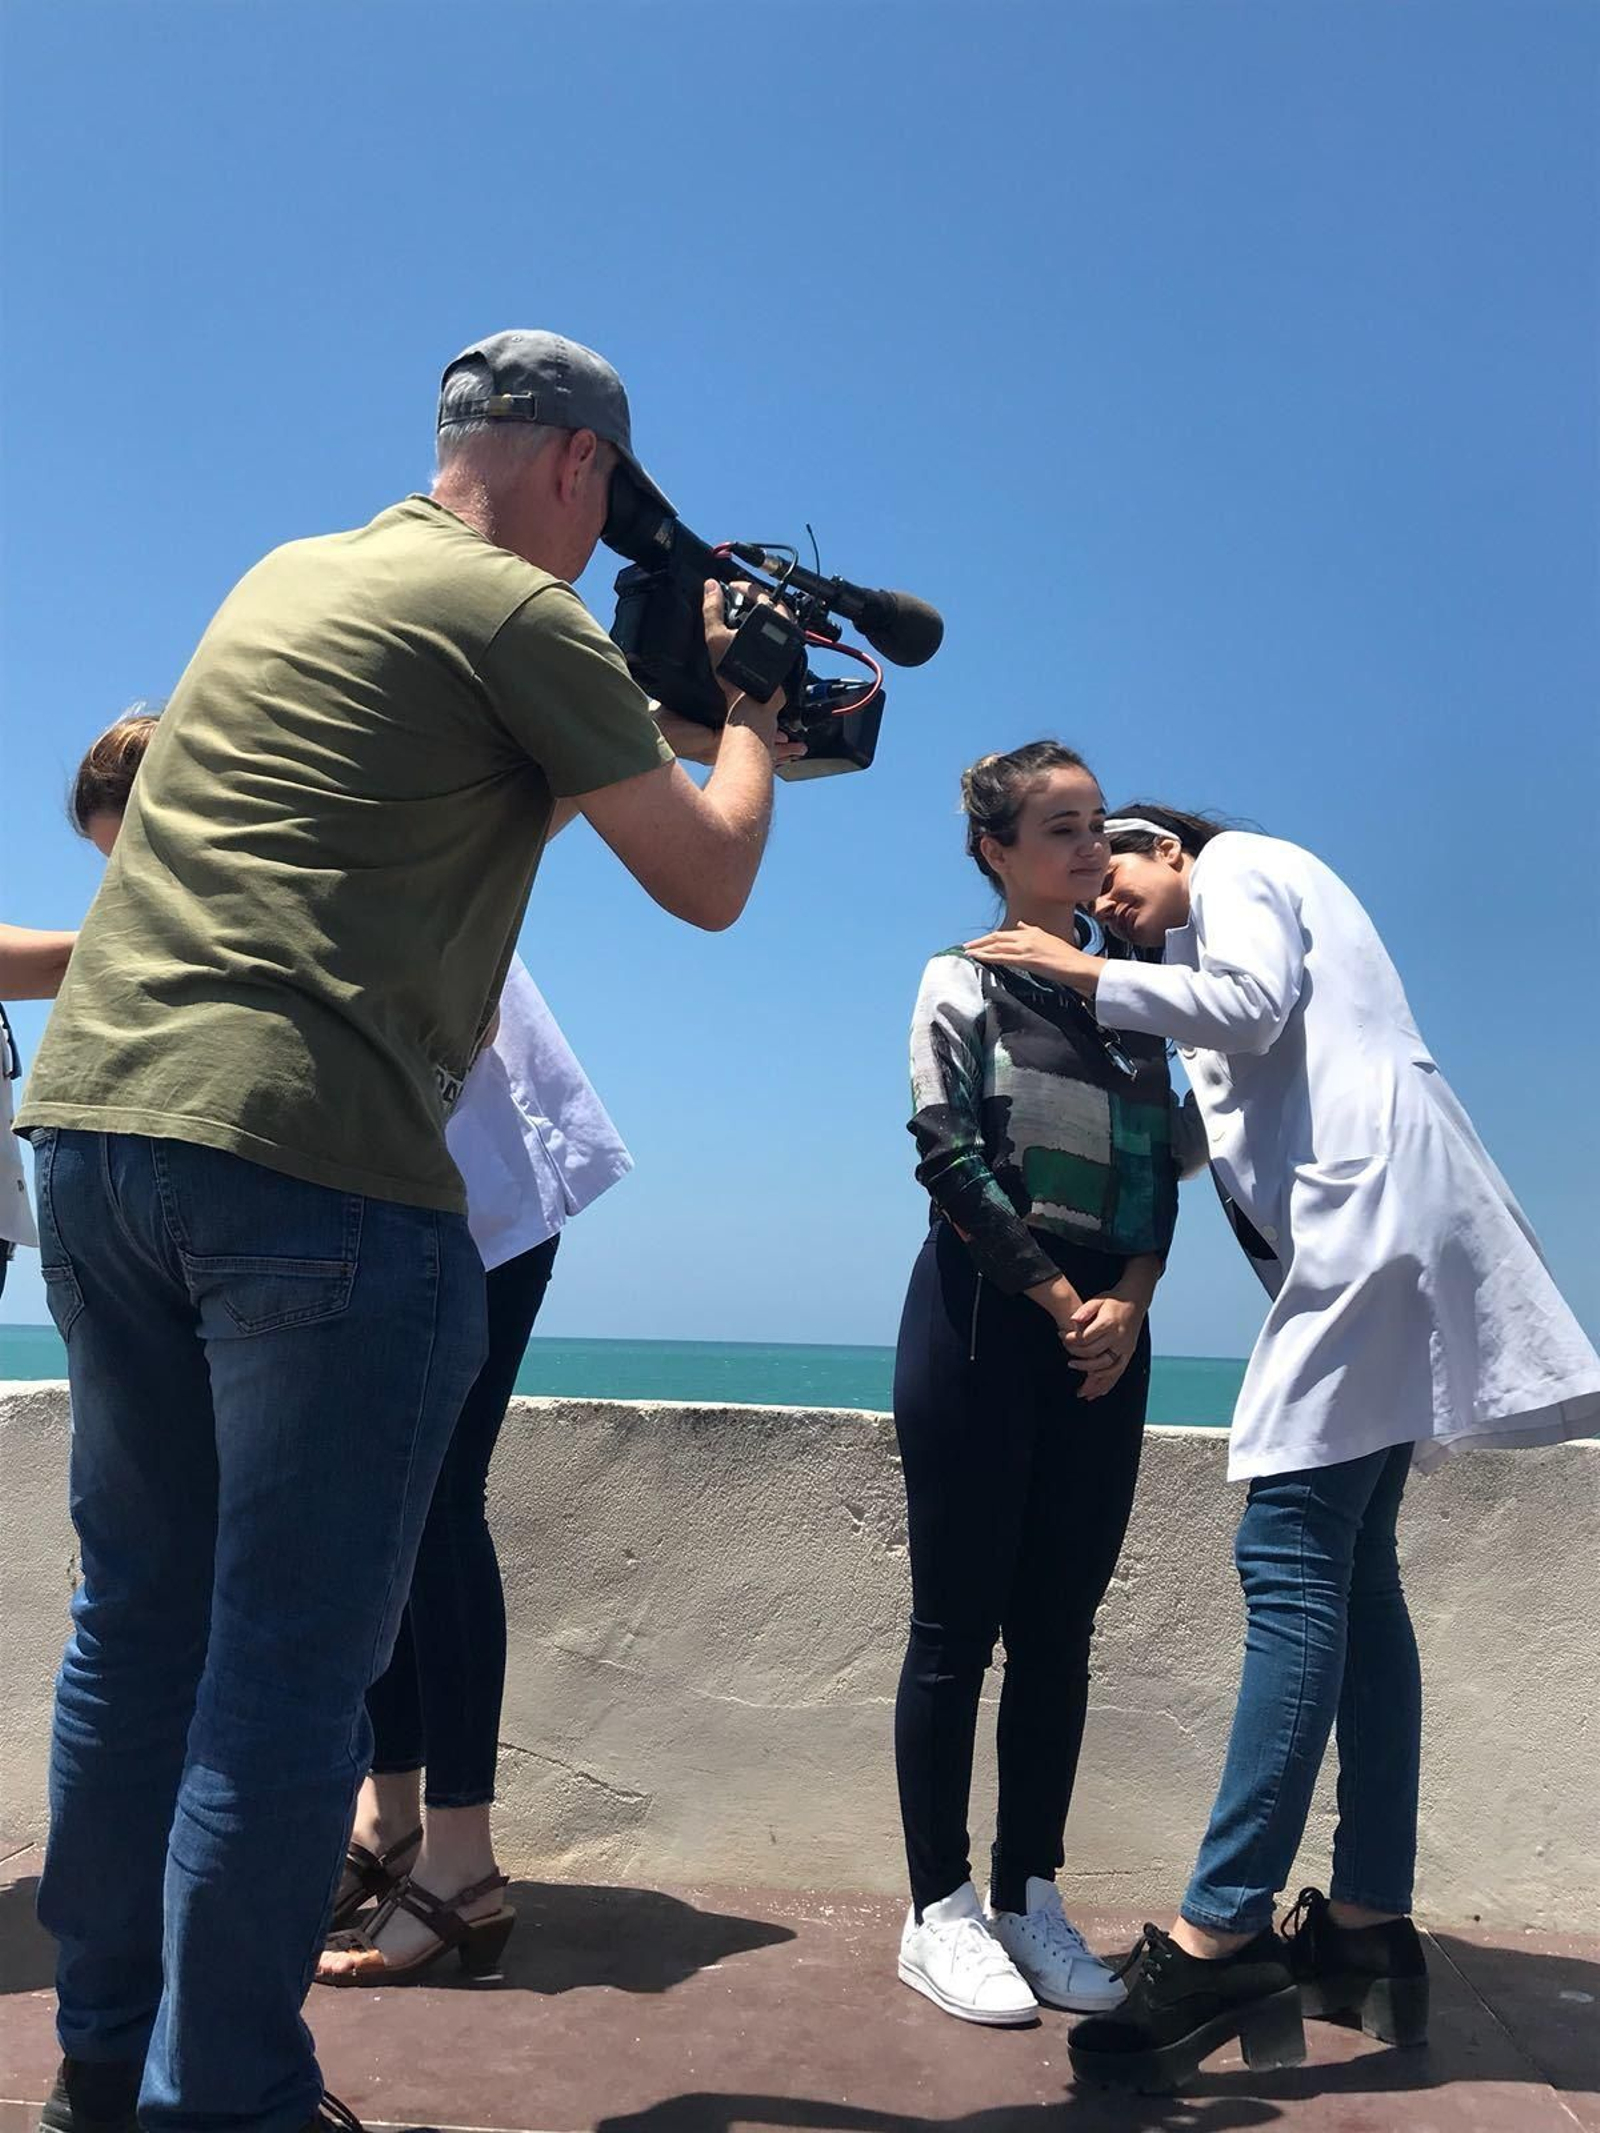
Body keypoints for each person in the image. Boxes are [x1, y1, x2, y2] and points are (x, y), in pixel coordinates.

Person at [17, 329, 794, 2133]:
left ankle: (99, 2079)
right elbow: (708, 874)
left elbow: (478, 755)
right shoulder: (525, 620)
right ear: (580, 474)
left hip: (99, 1134)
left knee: (135, 1630)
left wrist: (672, 702)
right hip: (313, 1161)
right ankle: (237, 2100)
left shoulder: (292, 573)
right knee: (289, 1665)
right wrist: (752, 718)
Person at [965, 804, 1600, 2091]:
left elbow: (1248, 1006)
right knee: (1358, 1578)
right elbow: (1218, 1111)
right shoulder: (1224, 943)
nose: (1108, 903)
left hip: (1373, 1231)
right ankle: (1366, 1929)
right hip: (1381, 1232)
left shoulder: (1247, 867)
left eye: (1120, 877)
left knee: (1288, 1550)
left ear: (1170, 843)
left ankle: (1223, 1931)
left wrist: (1074, 972)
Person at [65, 708, 628, 1992]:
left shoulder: (348, 853)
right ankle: (389, 1820)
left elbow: (460, 1012)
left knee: (432, 1515)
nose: (133, 895)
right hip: (362, 1212)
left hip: (477, 1204)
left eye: (133, 860)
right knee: (371, 1518)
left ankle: (466, 1864)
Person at [892, 742, 1195, 2028]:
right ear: (996, 853)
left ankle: (1031, 1894)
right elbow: (944, 1151)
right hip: (982, 1318)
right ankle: (938, 1911)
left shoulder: (1134, 997)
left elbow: (1164, 1168)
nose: (1089, 854)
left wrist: (1129, 1300)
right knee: (958, 1630)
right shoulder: (960, 978)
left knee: (1059, 1635)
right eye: (1061, 832)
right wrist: (1058, 1298)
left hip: (1105, 1341)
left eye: (1099, 831)